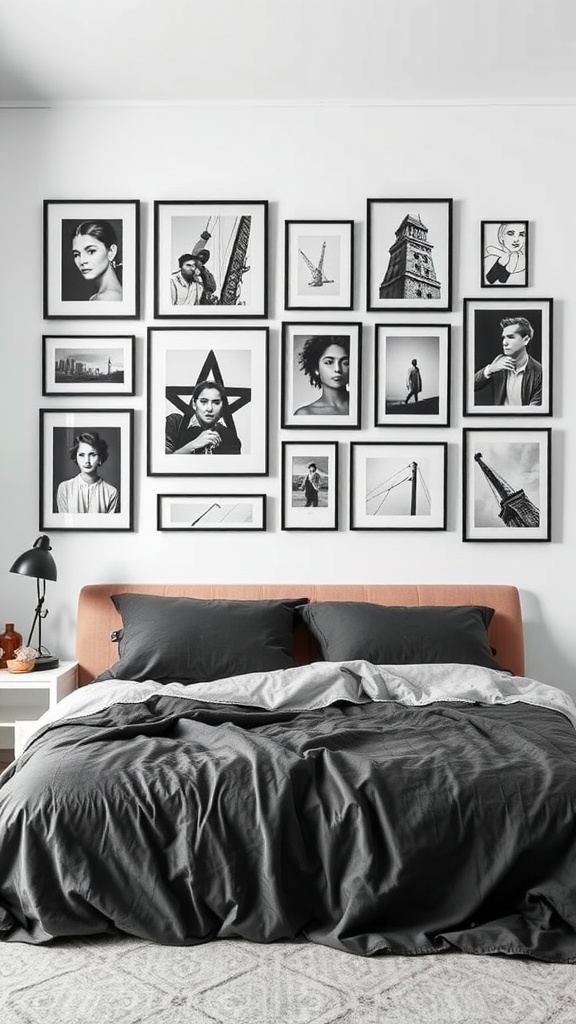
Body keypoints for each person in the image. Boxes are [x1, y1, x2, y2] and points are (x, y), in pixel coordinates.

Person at [474, 316, 542, 406]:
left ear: (525, 340)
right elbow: (470, 386)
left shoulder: (539, 371)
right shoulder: (498, 362)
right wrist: (489, 369)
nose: (504, 342)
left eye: (510, 337)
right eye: (503, 338)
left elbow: (535, 412)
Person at [165, 380, 241, 455]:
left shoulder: (229, 436)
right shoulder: (174, 423)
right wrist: (193, 445)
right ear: (194, 404)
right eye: (203, 401)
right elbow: (163, 462)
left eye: (216, 403)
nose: (209, 408)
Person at [57, 432, 119, 513]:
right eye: (81, 455)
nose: (87, 461)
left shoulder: (111, 492)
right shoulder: (65, 488)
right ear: (75, 458)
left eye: (92, 454)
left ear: (100, 459)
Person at [294, 336, 350, 416]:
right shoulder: (305, 414)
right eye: (328, 362)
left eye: (345, 363)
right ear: (316, 368)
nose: (337, 369)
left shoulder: (365, 404)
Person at [71, 221, 122, 301]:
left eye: (91, 251)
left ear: (111, 252)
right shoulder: (103, 296)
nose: (82, 261)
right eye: (76, 254)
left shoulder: (106, 298)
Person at [170, 231, 218, 305]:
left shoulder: (204, 272)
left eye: (200, 261)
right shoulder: (177, 278)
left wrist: (203, 275)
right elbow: (196, 249)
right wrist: (203, 240)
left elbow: (212, 288)